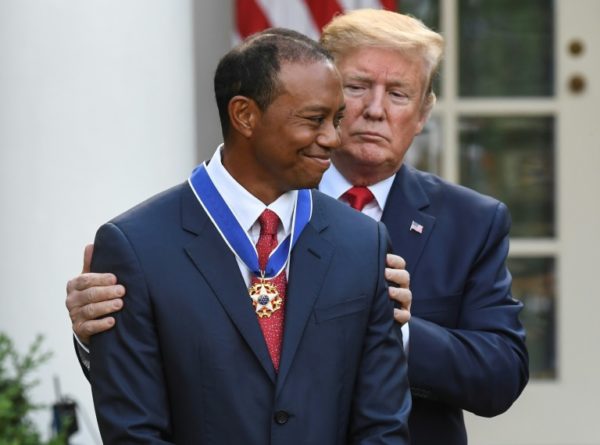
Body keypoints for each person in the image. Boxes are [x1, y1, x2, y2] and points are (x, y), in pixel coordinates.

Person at [66, 9, 528, 445]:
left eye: (399, 93)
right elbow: (148, 400)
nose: (373, 110)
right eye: (356, 88)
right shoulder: (160, 233)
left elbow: (499, 375)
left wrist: (390, 329)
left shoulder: (469, 222)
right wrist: (101, 339)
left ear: (424, 113)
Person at [84, 29, 410, 444]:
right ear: (244, 116)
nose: (333, 138)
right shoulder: (135, 246)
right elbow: (134, 431)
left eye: (337, 119)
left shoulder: (365, 243)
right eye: (314, 120)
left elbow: (383, 427)